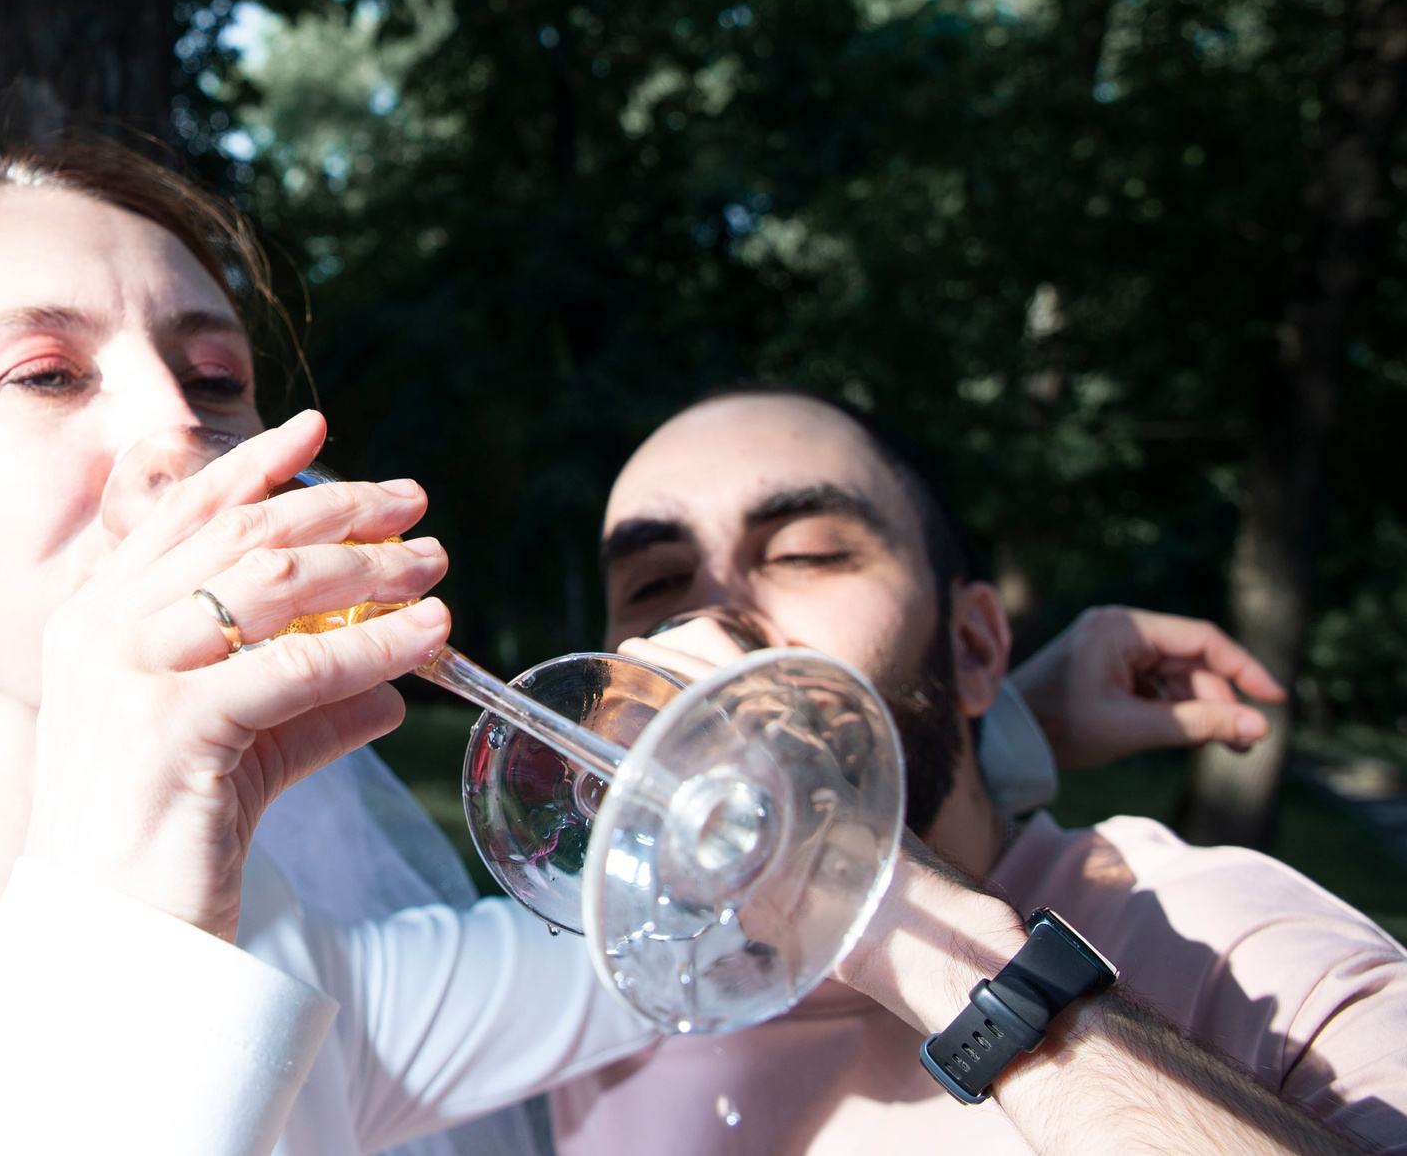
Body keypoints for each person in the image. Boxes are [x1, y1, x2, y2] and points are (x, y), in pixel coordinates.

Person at [0, 144, 1377, 1156]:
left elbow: (720, 874)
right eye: (43, 370)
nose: (180, 429)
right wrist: (146, 800)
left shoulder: (322, 987)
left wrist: (998, 716)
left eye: (210, 371)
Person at [550, 386, 1407, 1154]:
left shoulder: (1238, 951)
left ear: (971, 647)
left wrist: (885, 906)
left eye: (805, 554)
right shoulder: (574, 1021)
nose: (711, 621)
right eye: (658, 581)